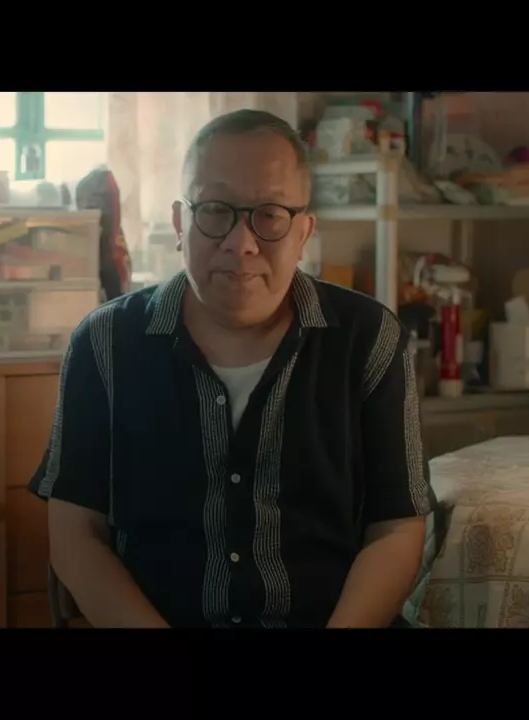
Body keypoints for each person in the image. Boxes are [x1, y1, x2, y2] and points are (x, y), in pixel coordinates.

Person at [28, 109, 433, 628]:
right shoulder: (104, 344)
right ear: (180, 224)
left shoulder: (370, 339)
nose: (241, 243)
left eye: (270, 214)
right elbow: (74, 531)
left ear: (303, 232)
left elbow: (396, 527)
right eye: (216, 210)